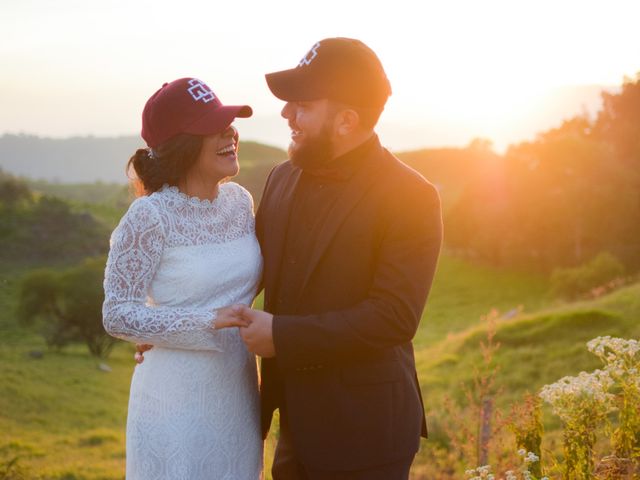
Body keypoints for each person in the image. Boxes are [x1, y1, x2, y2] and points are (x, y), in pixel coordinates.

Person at [219, 38, 444, 479]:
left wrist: (281, 335)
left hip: (366, 431)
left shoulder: (412, 196)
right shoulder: (282, 177)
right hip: (293, 427)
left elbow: (394, 316)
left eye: (301, 104)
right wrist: (173, 323)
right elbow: (249, 270)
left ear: (346, 120)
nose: (286, 114)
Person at [102, 77, 263, 480]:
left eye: (230, 123)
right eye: (215, 126)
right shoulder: (149, 216)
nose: (230, 133)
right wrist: (205, 321)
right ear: (182, 144)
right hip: (173, 397)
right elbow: (118, 313)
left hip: (237, 392)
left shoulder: (240, 203)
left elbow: (242, 278)